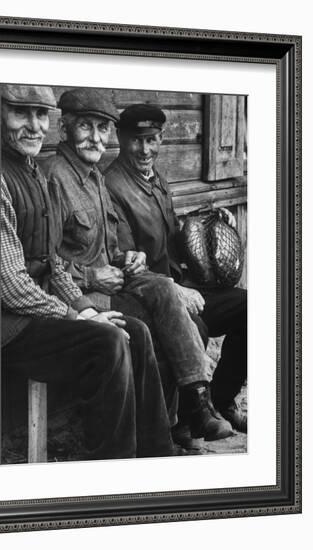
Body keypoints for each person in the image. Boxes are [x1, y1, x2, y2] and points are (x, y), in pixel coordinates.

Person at [44, 87, 234, 442]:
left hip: (115, 280)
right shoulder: (56, 177)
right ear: (64, 129)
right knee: (168, 323)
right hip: (83, 294)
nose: (95, 137)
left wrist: (129, 257)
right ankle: (166, 429)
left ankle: (196, 403)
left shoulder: (95, 177)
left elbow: (111, 245)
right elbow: (46, 261)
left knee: (164, 289)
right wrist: (90, 275)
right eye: (86, 126)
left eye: (102, 128)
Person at [0, 83, 175, 460]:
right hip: (5, 326)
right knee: (107, 342)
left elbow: (54, 264)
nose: (34, 126)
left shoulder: (32, 172)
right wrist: (78, 313)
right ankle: (112, 467)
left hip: (38, 312)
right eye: (21, 113)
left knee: (134, 331)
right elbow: (12, 287)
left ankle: (158, 456)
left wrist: (88, 309)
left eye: (41, 115)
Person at [104, 103, 247, 433]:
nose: (145, 149)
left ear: (162, 139)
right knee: (195, 326)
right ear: (120, 138)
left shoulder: (157, 179)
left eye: (152, 139)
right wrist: (176, 290)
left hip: (184, 285)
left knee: (251, 308)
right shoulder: (112, 186)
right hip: (151, 297)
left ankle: (222, 401)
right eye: (136, 140)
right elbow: (124, 259)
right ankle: (187, 421)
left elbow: (171, 236)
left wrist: (210, 217)